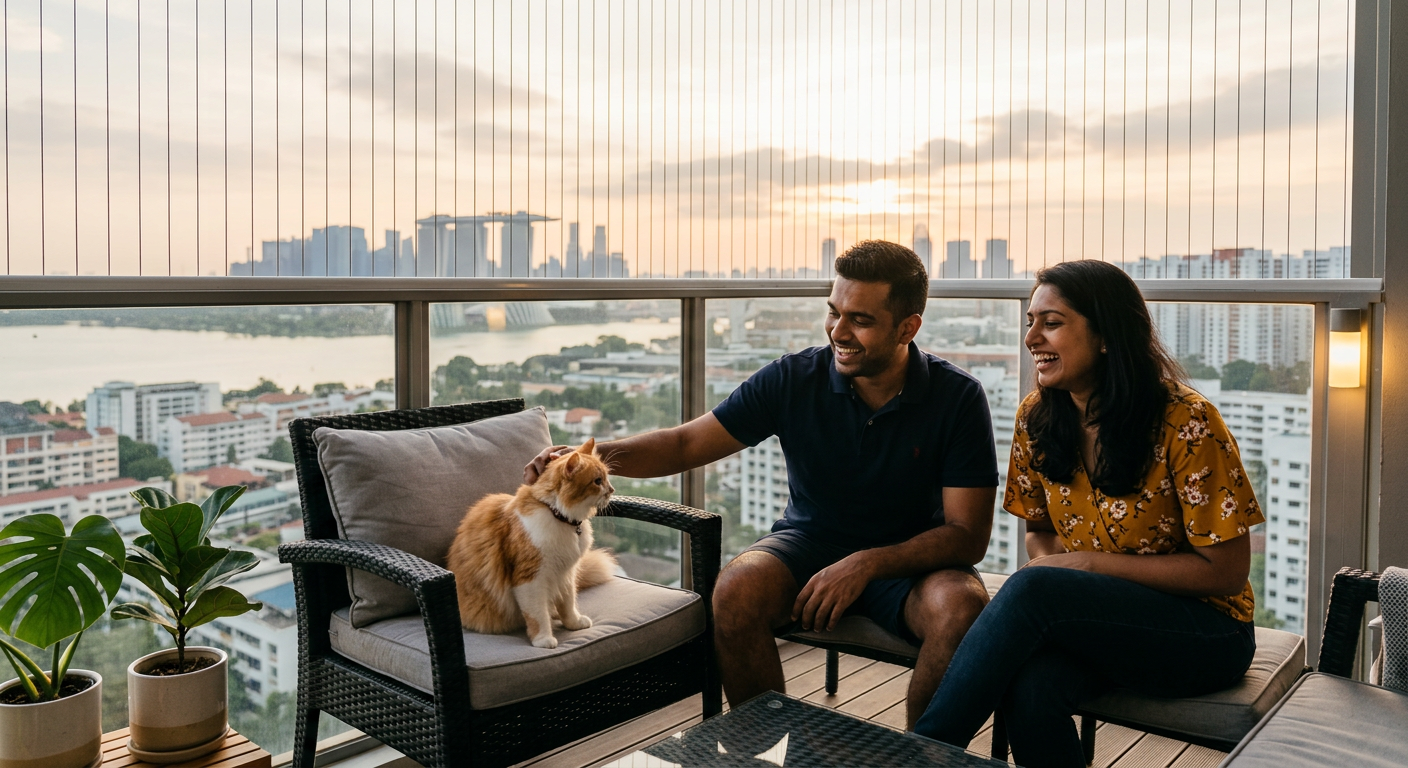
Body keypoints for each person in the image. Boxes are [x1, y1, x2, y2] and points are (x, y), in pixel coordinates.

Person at [525, 240, 999, 726]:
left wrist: (866, 564)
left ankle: (926, 757)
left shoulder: (958, 397)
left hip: (910, 561)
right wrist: (587, 459)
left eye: (860, 319)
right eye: (833, 312)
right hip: (809, 543)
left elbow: (967, 536)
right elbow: (686, 444)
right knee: (735, 590)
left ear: (908, 327)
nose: (839, 331)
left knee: (961, 609)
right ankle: (769, 752)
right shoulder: (792, 378)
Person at [912, 260, 1264, 767]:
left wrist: (1088, 567)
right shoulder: (1036, 415)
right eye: (1030, 321)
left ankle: (921, 755)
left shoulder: (1186, 421)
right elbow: (1039, 531)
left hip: (1206, 633)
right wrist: (1070, 574)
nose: (1031, 336)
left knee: (1034, 586)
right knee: (1029, 687)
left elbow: (1227, 573)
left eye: (1051, 322)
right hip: (1099, 620)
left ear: (1105, 335)